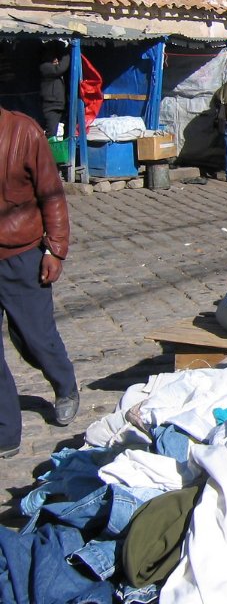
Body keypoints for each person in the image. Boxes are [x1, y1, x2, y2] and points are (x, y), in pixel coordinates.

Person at [0, 105, 78, 457]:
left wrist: (55, 250)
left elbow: (52, 194)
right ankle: (6, 430)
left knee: (36, 337)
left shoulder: (23, 132)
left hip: (22, 255)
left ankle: (65, 386)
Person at [39, 41, 70, 138]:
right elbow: (60, 68)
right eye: (53, 58)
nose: (56, 60)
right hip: (51, 105)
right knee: (51, 133)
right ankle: (47, 152)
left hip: (59, 104)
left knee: (66, 130)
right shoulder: (44, 67)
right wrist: (67, 54)